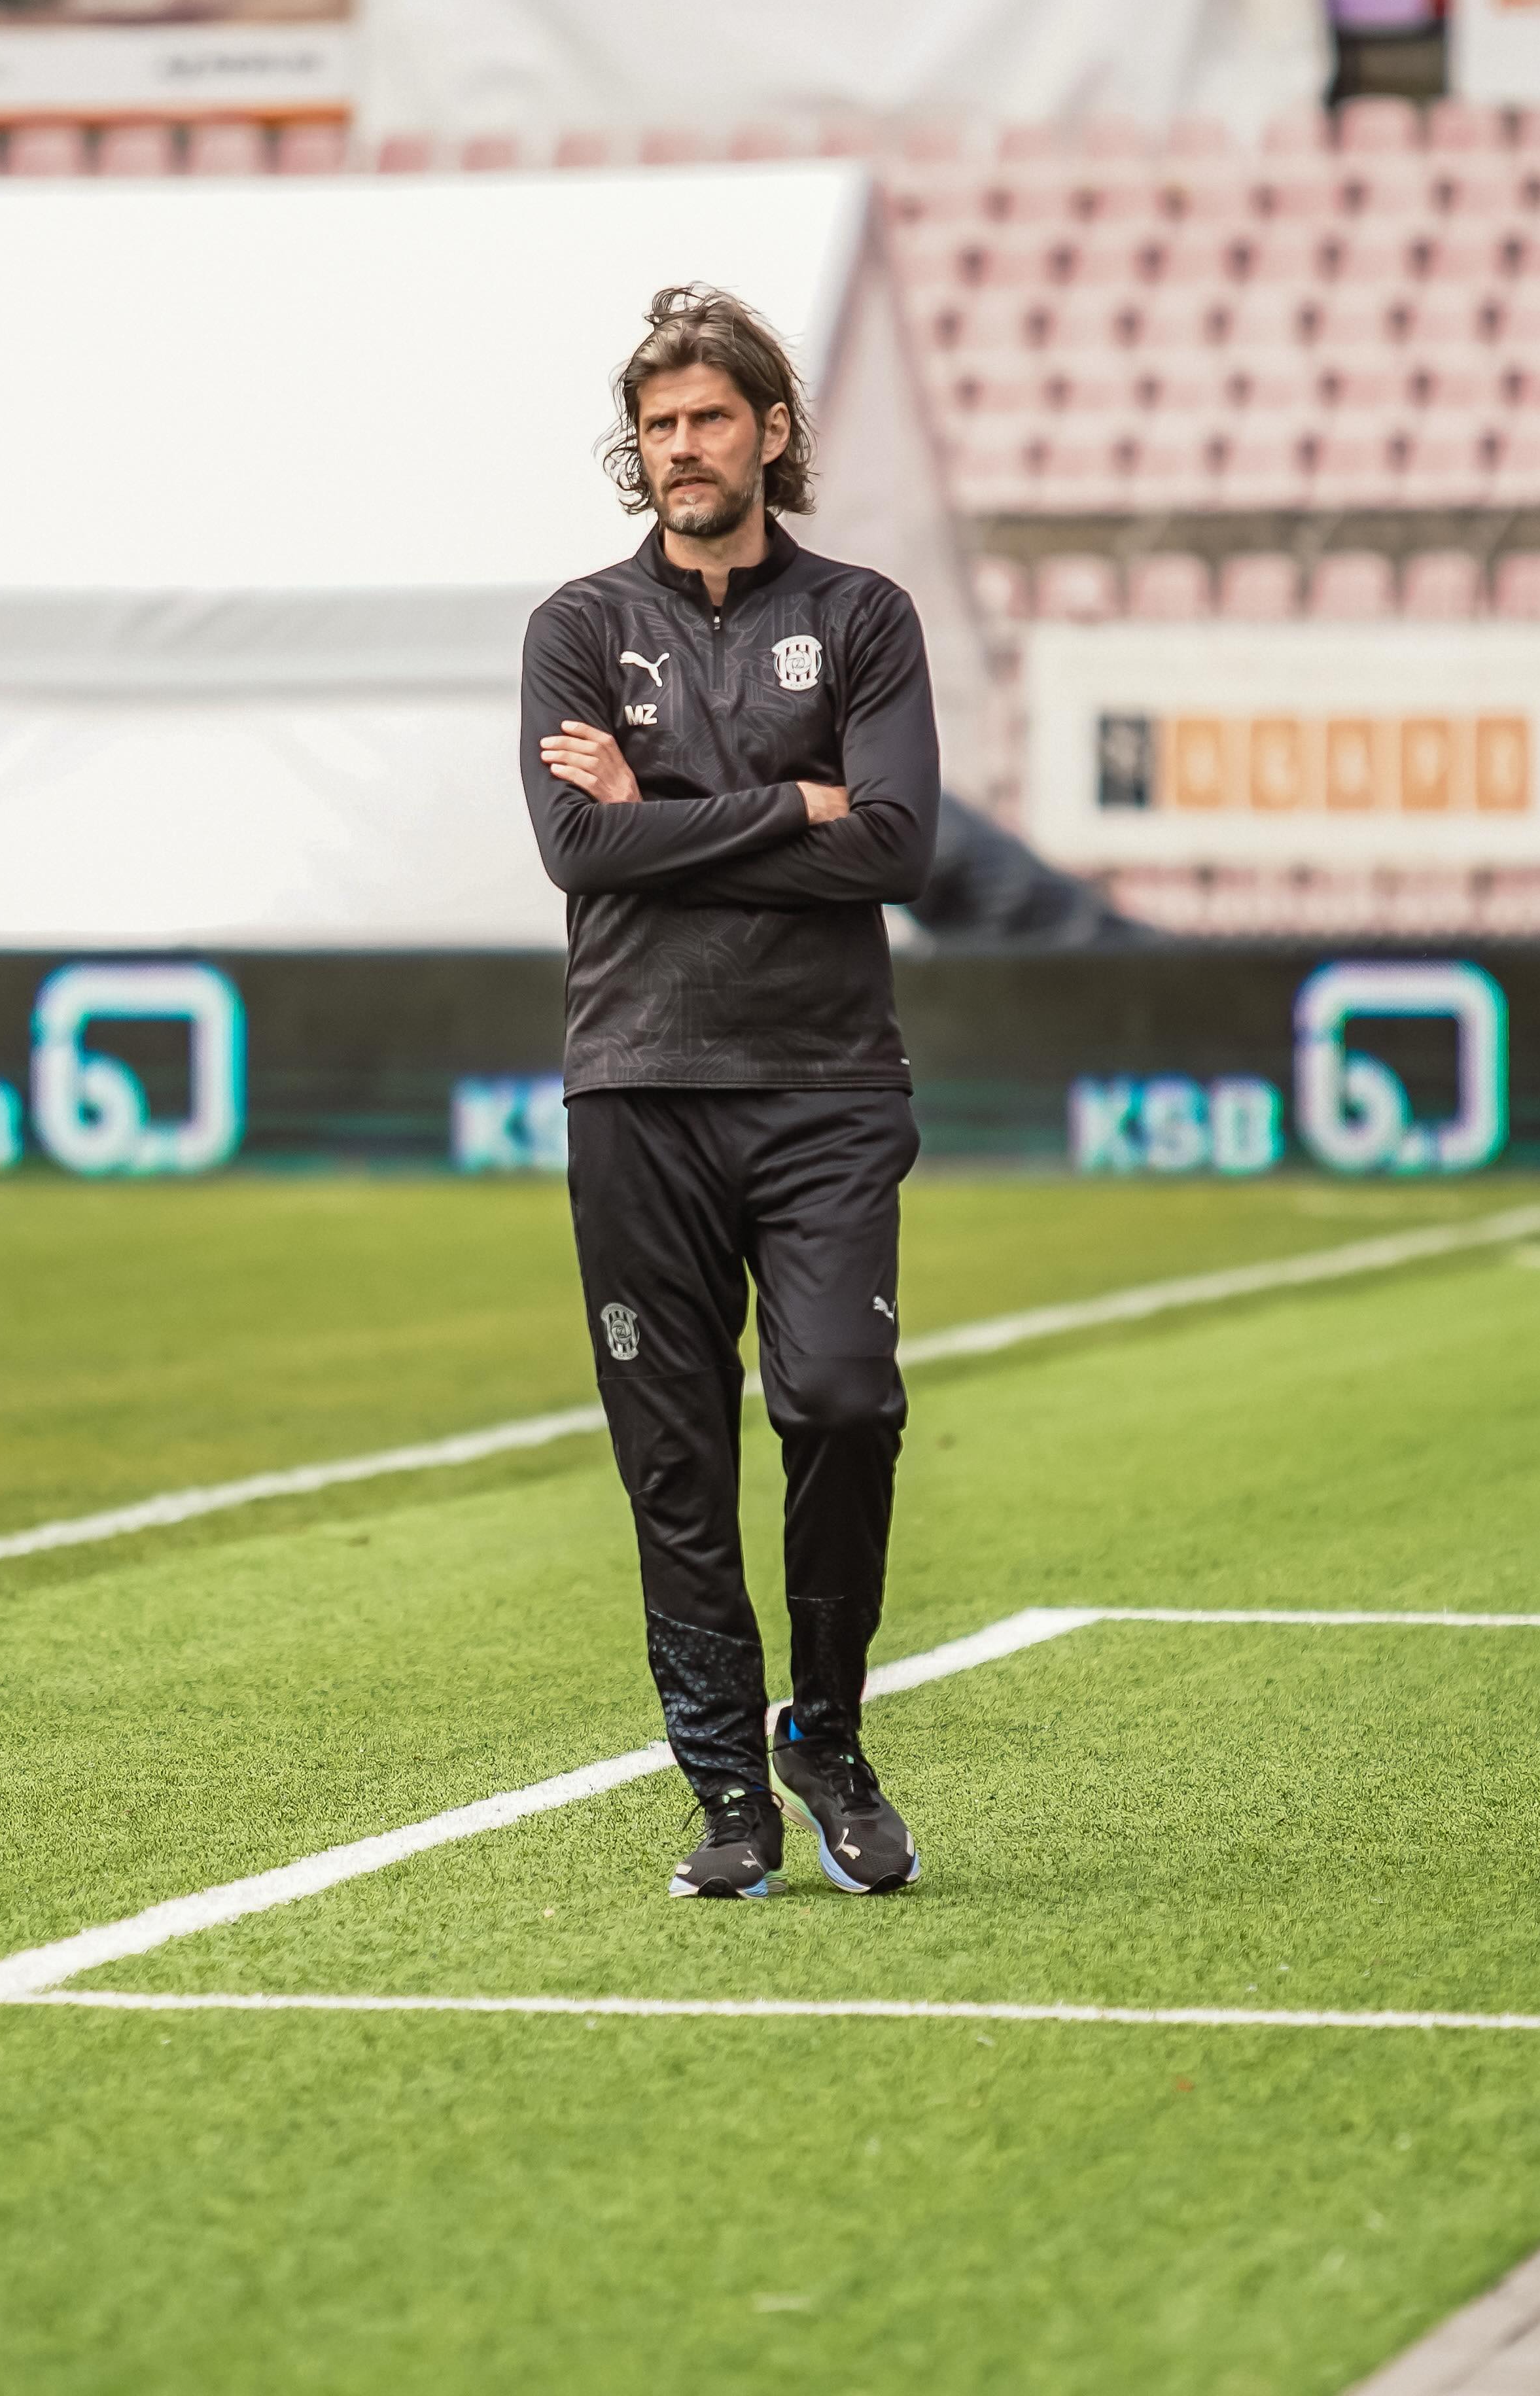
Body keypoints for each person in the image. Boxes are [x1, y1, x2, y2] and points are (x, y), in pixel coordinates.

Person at [519, 285, 941, 1899]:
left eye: (709, 418)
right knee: (676, 1456)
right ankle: (725, 1793)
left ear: (771, 430)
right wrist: (786, 806)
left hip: (827, 1086)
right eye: (659, 426)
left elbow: (896, 844)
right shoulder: (576, 627)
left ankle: (823, 1732)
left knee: (840, 1401)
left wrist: (670, 813)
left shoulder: (863, 616)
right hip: (638, 1086)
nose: (682, 447)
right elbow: (579, 848)